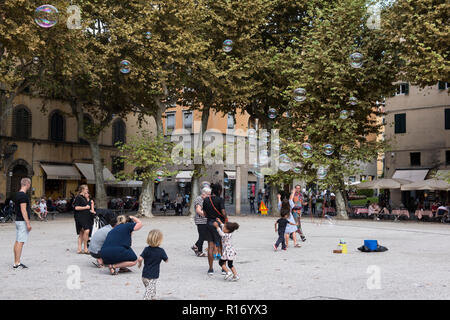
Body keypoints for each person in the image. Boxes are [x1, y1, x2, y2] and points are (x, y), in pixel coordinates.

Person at [202, 183, 228, 276]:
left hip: (209, 224)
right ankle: (223, 268)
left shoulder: (206, 200)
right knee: (222, 246)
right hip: (219, 224)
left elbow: (204, 214)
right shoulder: (220, 200)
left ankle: (210, 269)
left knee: (210, 246)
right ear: (219, 191)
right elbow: (223, 212)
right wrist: (225, 218)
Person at [138, 229, 168, 300]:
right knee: (149, 291)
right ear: (160, 240)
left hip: (144, 275)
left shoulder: (146, 249)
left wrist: (140, 264)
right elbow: (166, 259)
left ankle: (153, 297)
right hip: (153, 276)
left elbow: (139, 258)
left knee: (150, 288)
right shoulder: (161, 251)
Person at [13, 178, 32, 269]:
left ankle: (15, 261)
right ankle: (17, 263)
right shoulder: (23, 196)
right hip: (22, 221)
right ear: (27, 184)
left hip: (17, 220)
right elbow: (23, 210)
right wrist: (28, 223)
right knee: (21, 242)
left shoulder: (17, 194)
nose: (29, 186)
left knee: (17, 241)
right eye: (29, 184)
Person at [73, 185, 95, 254]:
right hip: (80, 217)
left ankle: (79, 249)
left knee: (81, 233)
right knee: (87, 230)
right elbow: (76, 208)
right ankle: (85, 248)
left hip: (86, 217)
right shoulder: (78, 197)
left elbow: (89, 207)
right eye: (86, 189)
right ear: (82, 189)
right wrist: (85, 207)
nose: (87, 190)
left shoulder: (84, 198)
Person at [191, 187, 211, 257]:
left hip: (204, 220)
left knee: (204, 236)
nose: (209, 196)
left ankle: (195, 246)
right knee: (202, 236)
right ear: (203, 194)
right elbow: (198, 210)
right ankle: (199, 251)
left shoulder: (204, 199)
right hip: (200, 220)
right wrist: (206, 214)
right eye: (208, 194)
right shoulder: (199, 199)